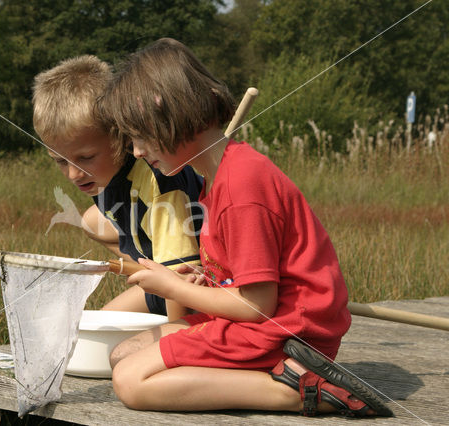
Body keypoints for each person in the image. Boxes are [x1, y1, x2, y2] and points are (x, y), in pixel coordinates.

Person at [96, 38, 392, 417]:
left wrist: (169, 286)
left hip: (288, 334)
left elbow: (257, 306)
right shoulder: (214, 178)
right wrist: (209, 280)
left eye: (139, 135)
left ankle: (304, 389)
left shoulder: (241, 183)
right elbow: (247, 280)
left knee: (131, 382)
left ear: (165, 112)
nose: (136, 151)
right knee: (123, 354)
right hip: (263, 323)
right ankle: (276, 377)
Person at [32, 55, 205, 321]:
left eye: (86, 158)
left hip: (199, 287)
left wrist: (176, 332)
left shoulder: (159, 184)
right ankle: (146, 269)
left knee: (158, 340)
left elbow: (184, 275)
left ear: (119, 135)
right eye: (60, 161)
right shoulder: (103, 173)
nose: (74, 174)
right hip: (162, 278)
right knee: (91, 222)